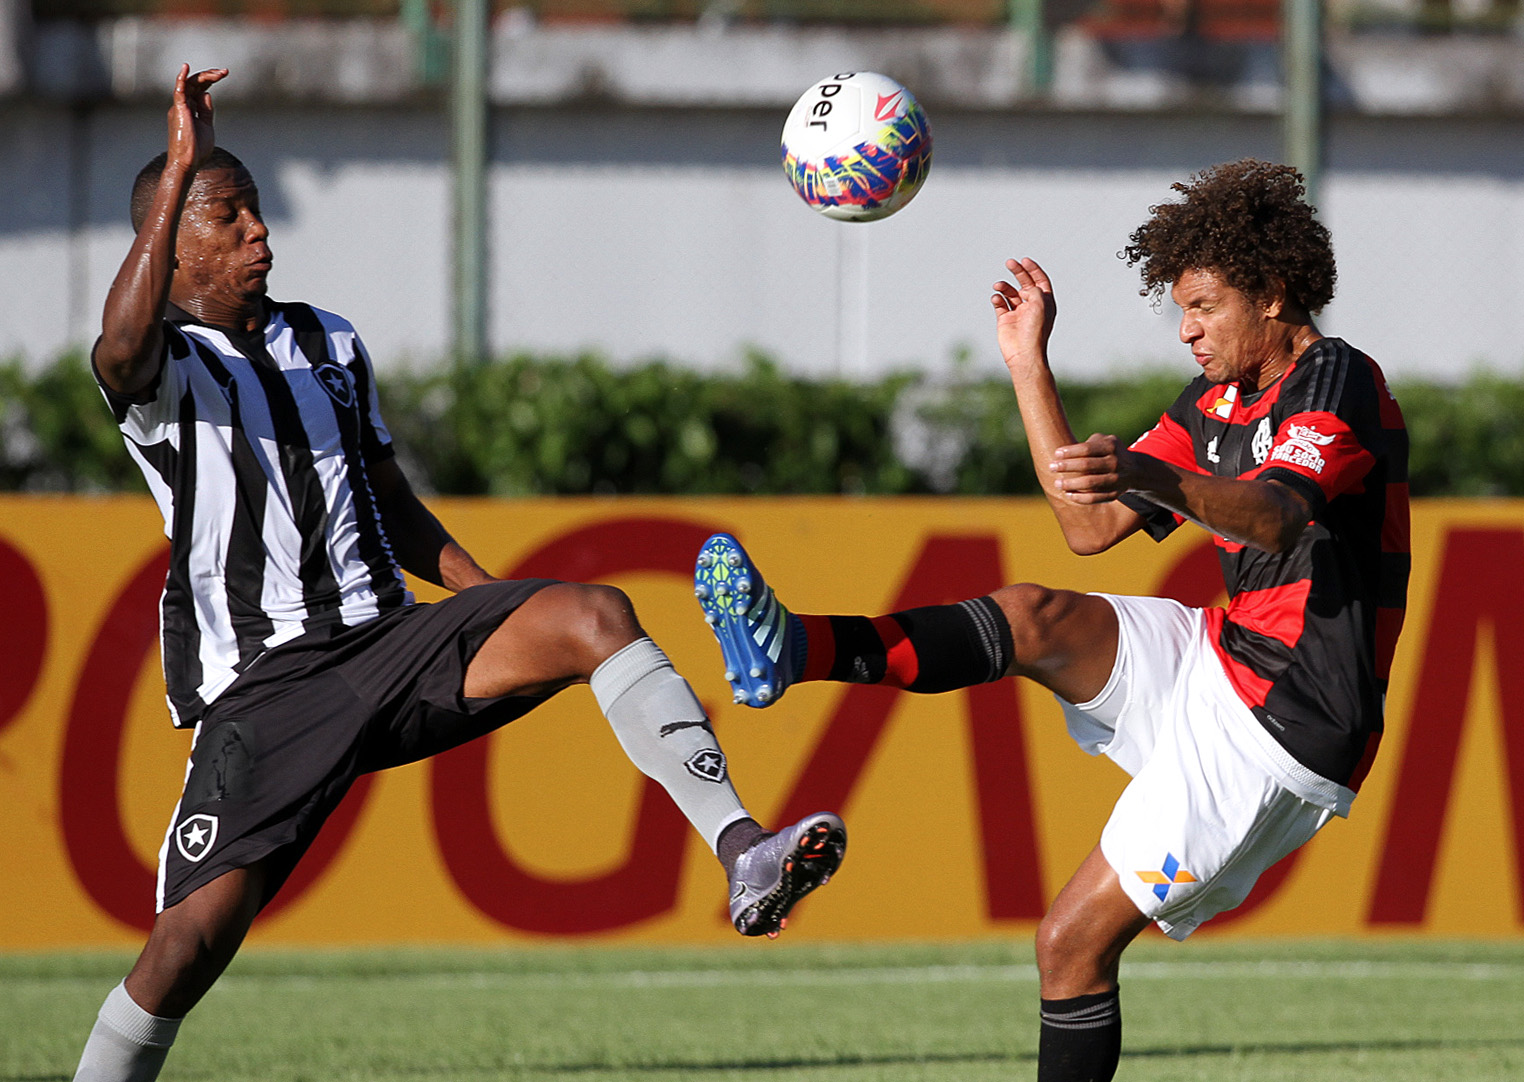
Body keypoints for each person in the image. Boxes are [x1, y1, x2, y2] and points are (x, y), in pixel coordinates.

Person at [74, 65, 846, 1082]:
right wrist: (178, 168)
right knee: (188, 947)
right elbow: (116, 347)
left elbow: (389, 503)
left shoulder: (327, 341)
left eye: (257, 209)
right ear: (172, 249)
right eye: (229, 217)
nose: (260, 230)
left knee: (592, 613)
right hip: (269, 686)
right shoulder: (167, 363)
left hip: (386, 640)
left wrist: (486, 595)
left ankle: (743, 848)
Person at [696, 159, 1408, 1082]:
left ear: (1272, 294)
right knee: (1031, 615)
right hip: (1223, 659)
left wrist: (1152, 475)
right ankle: (797, 647)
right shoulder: (1217, 402)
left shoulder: (1335, 378)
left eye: (1204, 306)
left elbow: (1278, 515)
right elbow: (1086, 527)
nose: (1186, 331)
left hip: (1287, 722)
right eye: (1179, 309)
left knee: (1069, 946)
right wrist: (1028, 365)